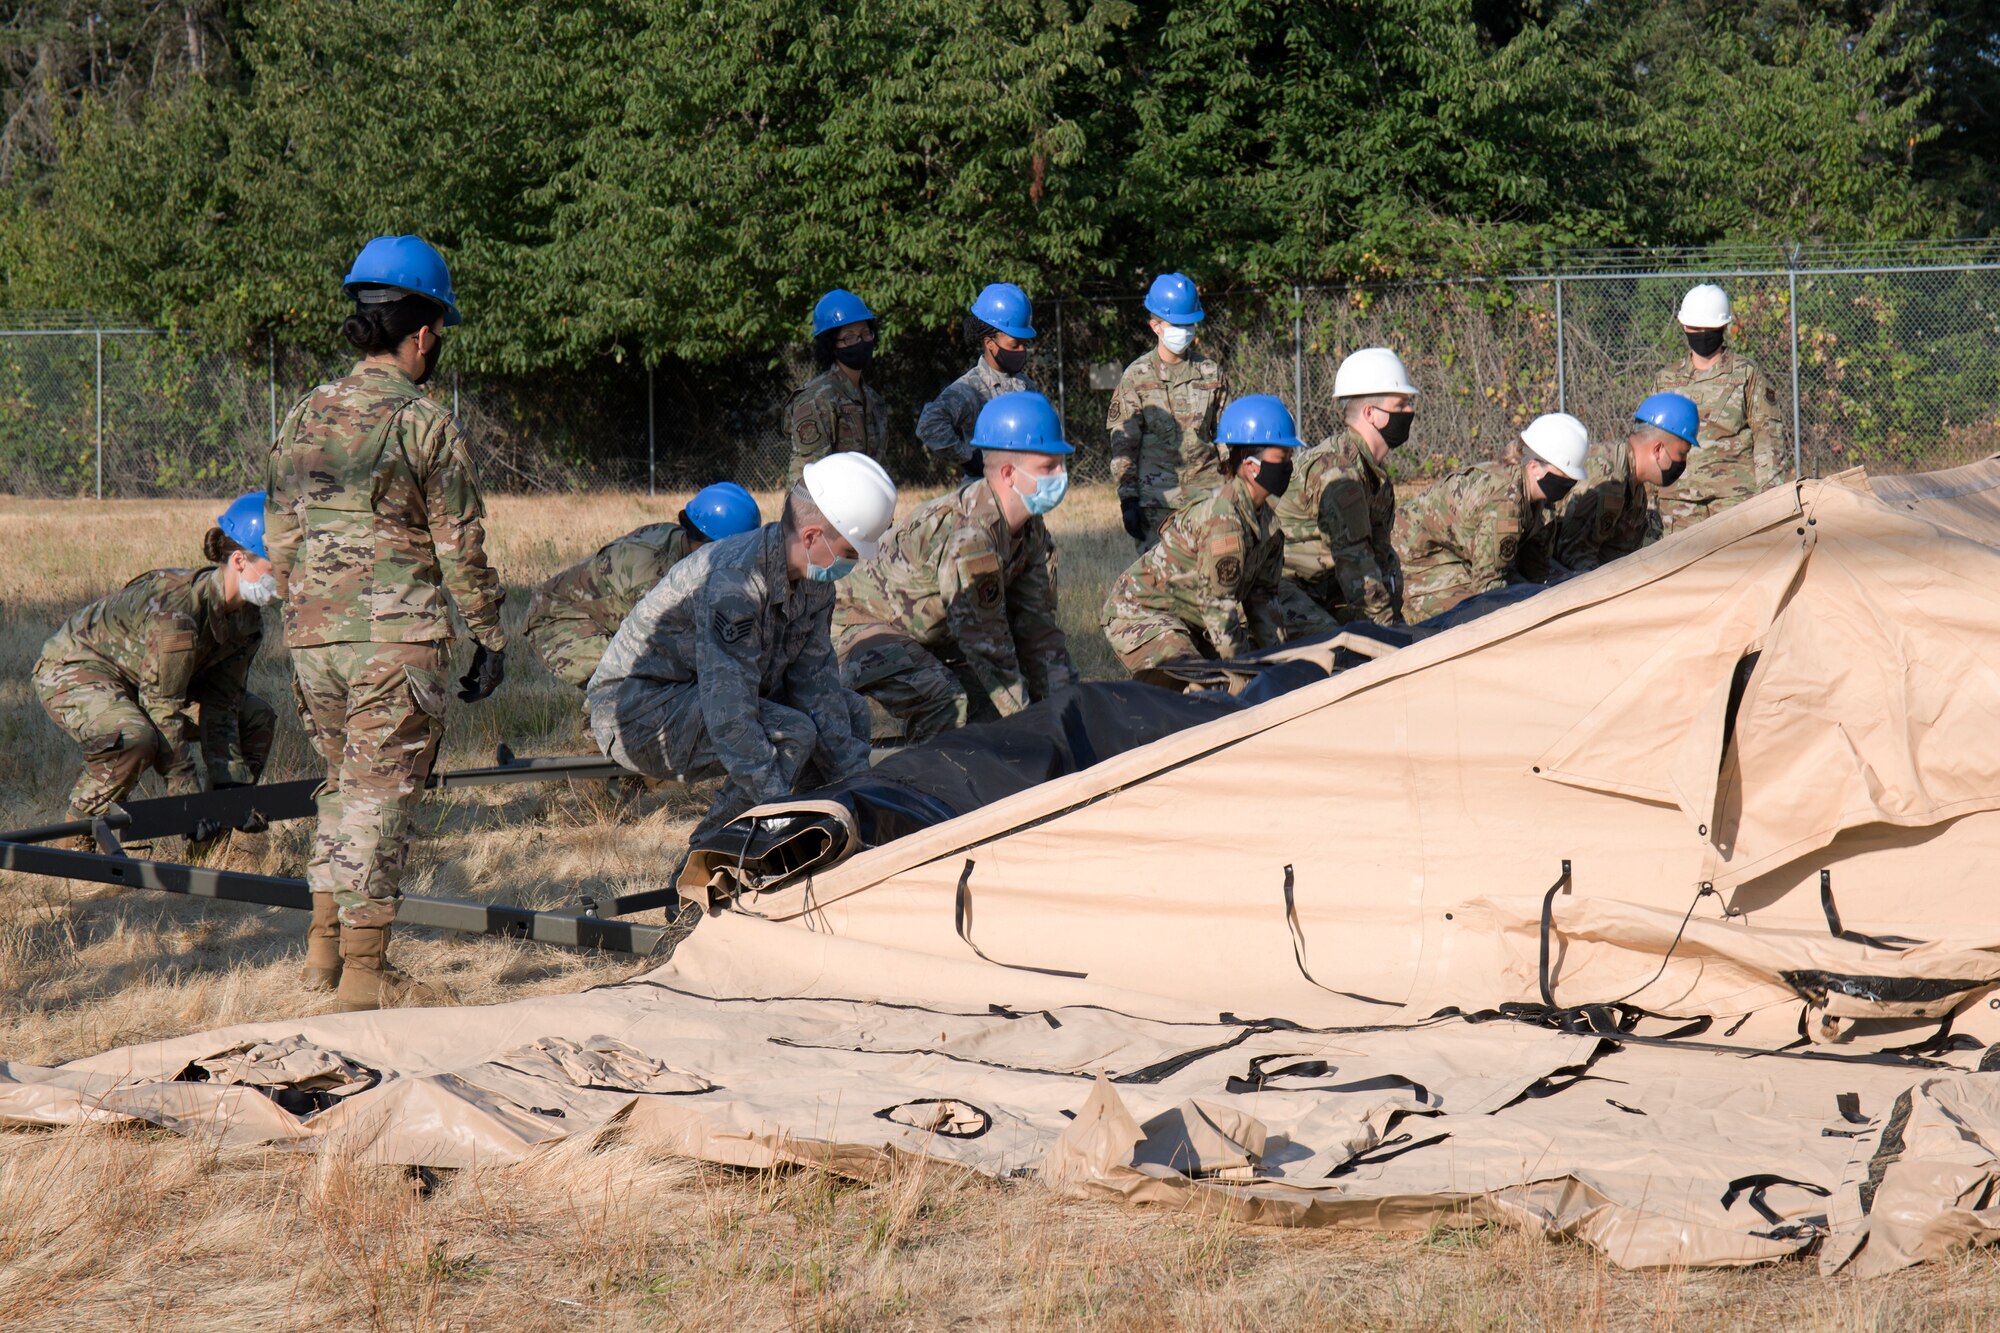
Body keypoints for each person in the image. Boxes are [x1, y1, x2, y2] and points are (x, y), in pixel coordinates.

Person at [266, 234, 507, 1011]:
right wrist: (490, 635)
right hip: (394, 643)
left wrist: (308, 610)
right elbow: (459, 545)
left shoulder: (303, 414)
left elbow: (279, 536)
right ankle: (365, 983)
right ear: (424, 332)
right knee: (379, 802)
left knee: (342, 791)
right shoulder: (425, 424)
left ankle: (325, 957)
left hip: (313, 641)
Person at [587, 453, 895, 844]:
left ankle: (828, 841)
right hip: (638, 709)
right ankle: (710, 862)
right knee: (792, 734)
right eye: (849, 553)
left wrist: (859, 790)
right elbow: (730, 718)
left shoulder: (816, 581)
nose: (852, 565)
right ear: (813, 537)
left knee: (848, 713)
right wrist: (779, 808)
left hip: (704, 696)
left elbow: (816, 688)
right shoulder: (735, 582)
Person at [34, 491, 279, 850]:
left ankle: (208, 849)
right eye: (278, 562)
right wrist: (187, 798)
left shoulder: (247, 620)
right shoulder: (176, 613)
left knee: (255, 717)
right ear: (240, 560)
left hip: (144, 680)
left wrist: (233, 791)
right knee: (136, 737)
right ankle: (74, 844)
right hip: (78, 668)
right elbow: (162, 706)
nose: (287, 572)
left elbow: (223, 701)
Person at [835, 391, 1079, 742]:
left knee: (991, 708)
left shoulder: (1030, 530)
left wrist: (1068, 713)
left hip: (928, 631)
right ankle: (925, 784)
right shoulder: (970, 537)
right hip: (858, 625)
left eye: (1061, 464)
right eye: (1048, 467)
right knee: (946, 701)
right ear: (1009, 473)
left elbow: (1038, 632)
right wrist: (1034, 731)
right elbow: (986, 646)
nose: (1062, 475)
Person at [1101, 395, 1303, 687]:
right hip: (1141, 613)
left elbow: (1264, 601)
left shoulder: (1267, 523)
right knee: (1203, 687)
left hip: (1191, 620)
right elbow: (1218, 606)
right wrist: (1246, 677)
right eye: (1282, 458)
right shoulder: (1224, 520)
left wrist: (1279, 665)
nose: (1289, 466)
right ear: (1250, 465)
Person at [525, 483, 763, 689]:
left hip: (611, 615)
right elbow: (666, 650)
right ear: (707, 545)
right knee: (634, 681)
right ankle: (599, 735)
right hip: (560, 620)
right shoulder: (650, 572)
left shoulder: (687, 550)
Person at [1393, 413, 1591, 623]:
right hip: (1419, 561)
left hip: (1462, 557)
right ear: (1534, 467)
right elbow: (1489, 585)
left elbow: (1536, 569)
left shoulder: (1540, 499)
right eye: (1564, 475)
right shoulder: (1504, 502)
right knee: (1472, 620)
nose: (1569, 483)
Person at [1272, 347, 1414, 626]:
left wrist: (1393, 618)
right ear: (1371, 413)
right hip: (1282, 586)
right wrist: (1389, 630)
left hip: (1325, 587)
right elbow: (1356, 563)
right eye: (1401, 405)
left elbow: (1380, 556)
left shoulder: (1373, 472)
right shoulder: (1338, 472)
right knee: (1338, 645)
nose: (1410, 411)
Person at [1106, 273, 1232, 551]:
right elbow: (1124, 446)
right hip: (1157, 503)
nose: (1184, 330)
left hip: (1208, 498)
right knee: (1158, 588)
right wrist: (1128, 500)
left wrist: (1235, 490)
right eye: (1177, 324)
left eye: (1189, 323)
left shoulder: (1211, 373)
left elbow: (1226, 437)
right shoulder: (1136, 377)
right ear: (1156, 326)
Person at [1653, 283, 1785, 532]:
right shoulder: (1666, 379)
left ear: (1723, 327)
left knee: (1735, 568)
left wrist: (1770, 496)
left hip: (1733, 499)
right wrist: (1649, 497)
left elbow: (1768, 435)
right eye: (1695, 328)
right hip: (1678, 502)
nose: (1702, 334)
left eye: (1709, 329)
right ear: (1683, 326)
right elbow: (1650, 442)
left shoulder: (1746, 373)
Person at [1558, 393, 1700, 573]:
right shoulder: (1607, 480)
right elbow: (1572, 556)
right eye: (1682, 454)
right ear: (1658, 449)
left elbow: (1621, 558)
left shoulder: (1636, 490)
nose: (1682, 462)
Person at [916, 282, 1039, 478]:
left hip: (1024, 494)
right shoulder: (968, 388)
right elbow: (928, 425)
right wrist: (969, 460)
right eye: (1015, 345)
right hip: (985, 498)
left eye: (1025, 344)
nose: (1022, 351)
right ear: (990, 343)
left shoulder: (1026, 386)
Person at [786, 289, 890, 485]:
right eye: (849, 337)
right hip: (822, 511)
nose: (860, 342)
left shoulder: (875, 401)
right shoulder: (817, 398)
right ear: (831, 345)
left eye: (865, 334)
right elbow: (807, 476)